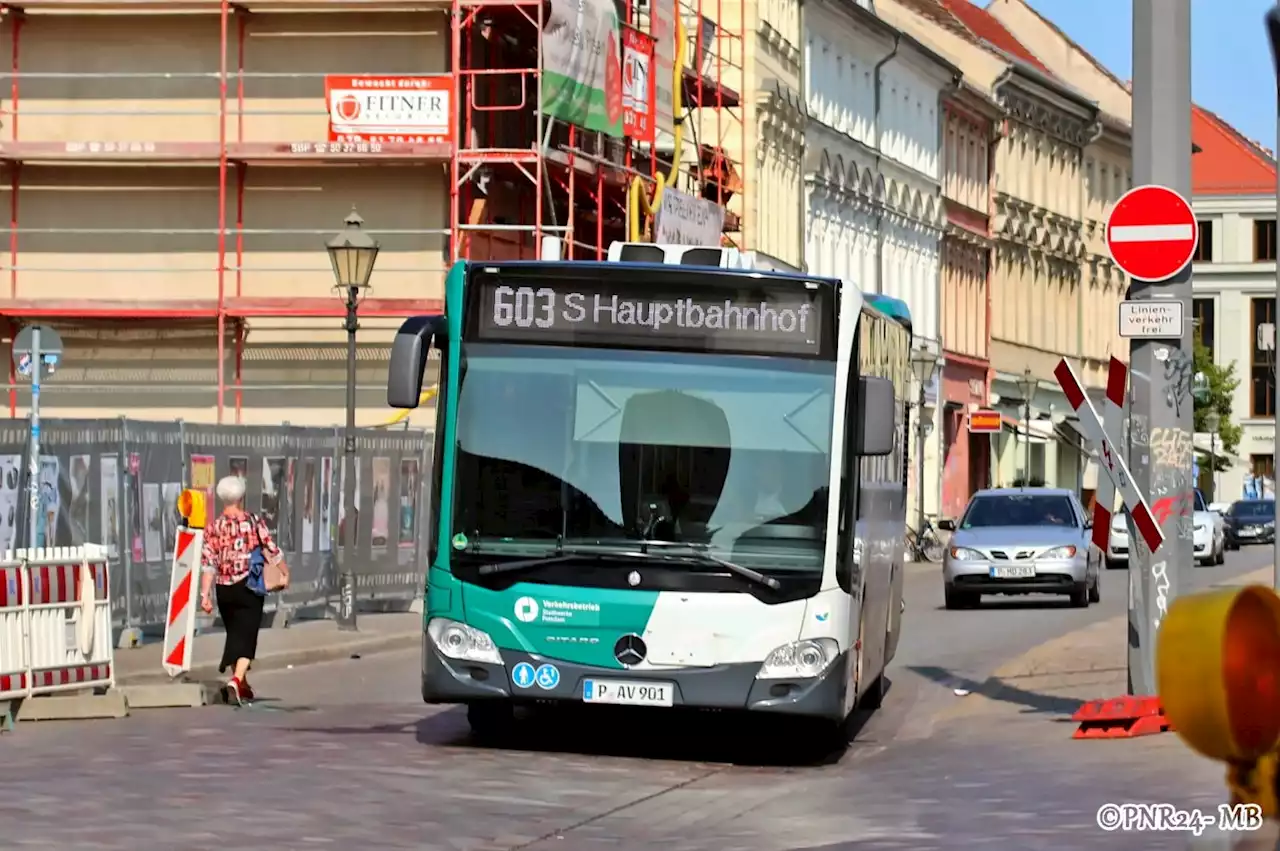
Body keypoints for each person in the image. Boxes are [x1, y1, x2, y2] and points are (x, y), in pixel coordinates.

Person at [199, 475, 280, 705]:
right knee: (247, 635)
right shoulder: (253, 522)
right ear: (241, 497)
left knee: (235, 633)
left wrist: (205, 595)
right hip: (249, 584)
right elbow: (271, 548)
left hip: (224, 588)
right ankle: (235, 679)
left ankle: (242, 685)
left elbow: (208, 564)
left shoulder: (213, 527)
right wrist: (283, 570)